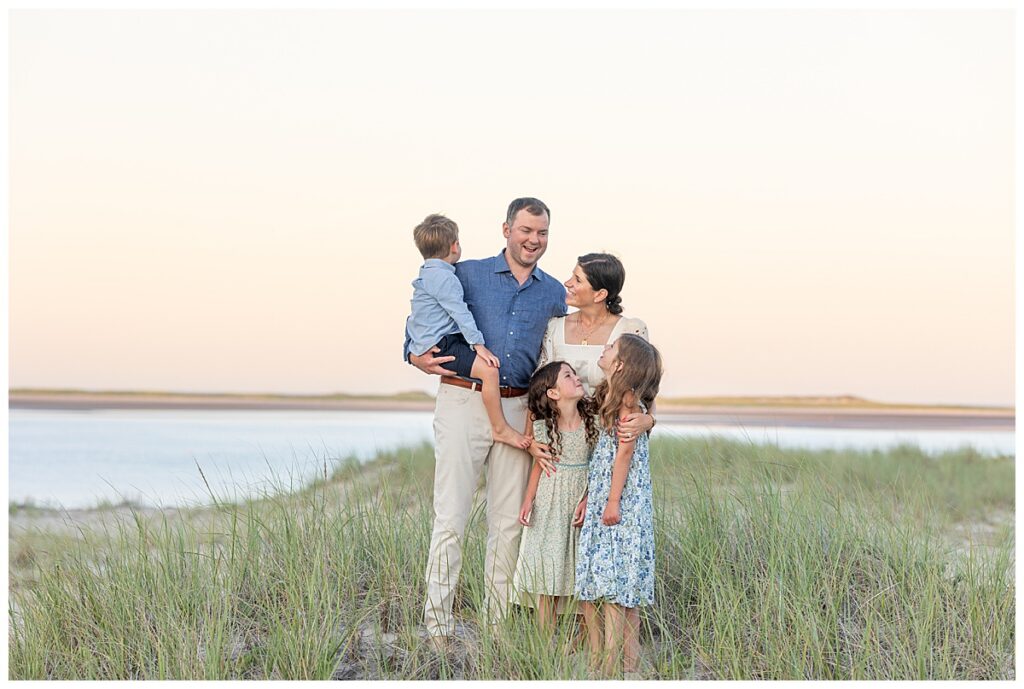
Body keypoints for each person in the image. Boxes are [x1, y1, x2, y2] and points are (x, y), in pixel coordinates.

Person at [404, 197, 567, 651]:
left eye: (542, 233)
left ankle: (496, 626)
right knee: (450, 516)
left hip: (518, 411)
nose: (534, 240)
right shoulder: (467, 273)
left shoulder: (553, 292)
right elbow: (423, 309)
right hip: (460, 401)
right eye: (526, 231)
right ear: (506, 230)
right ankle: (437, 627)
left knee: (509, 524)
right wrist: (412, 353)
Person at [574, 334, 663, 678]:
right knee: (620, 584)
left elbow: (623, 456)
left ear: (621, 364)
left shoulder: (628, 402)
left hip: (621, 499)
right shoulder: (614, 396)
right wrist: (589, 497)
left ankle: (615, 666)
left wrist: (611, 503)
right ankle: (629, 662)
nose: (604, 350)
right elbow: (604, 459)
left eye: (610, 348)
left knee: (616, 582)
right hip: (606, 492)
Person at [404, 213, 530, 449]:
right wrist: (478, 345)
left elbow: (414, 318)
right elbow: (461, 313)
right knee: (490, 371)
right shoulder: (448, 278)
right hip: (446, 344)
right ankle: (500, 428)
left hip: (435, 342)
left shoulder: (425, 276)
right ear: (454, 246)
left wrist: (414, 347)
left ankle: (499, 426)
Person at [512, 362, 599, 635]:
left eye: (574, 373)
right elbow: (540, 465)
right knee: (547, 573)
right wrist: (528, 500)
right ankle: (544, 644)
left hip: (578, 498)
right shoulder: (543, 426)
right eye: (568, 376)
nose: (576, 378)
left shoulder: (591, 422)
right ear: (553, 393)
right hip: (549, 501)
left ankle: (588, 639)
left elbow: (598, 465)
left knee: (580, 573)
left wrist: (588, 498)